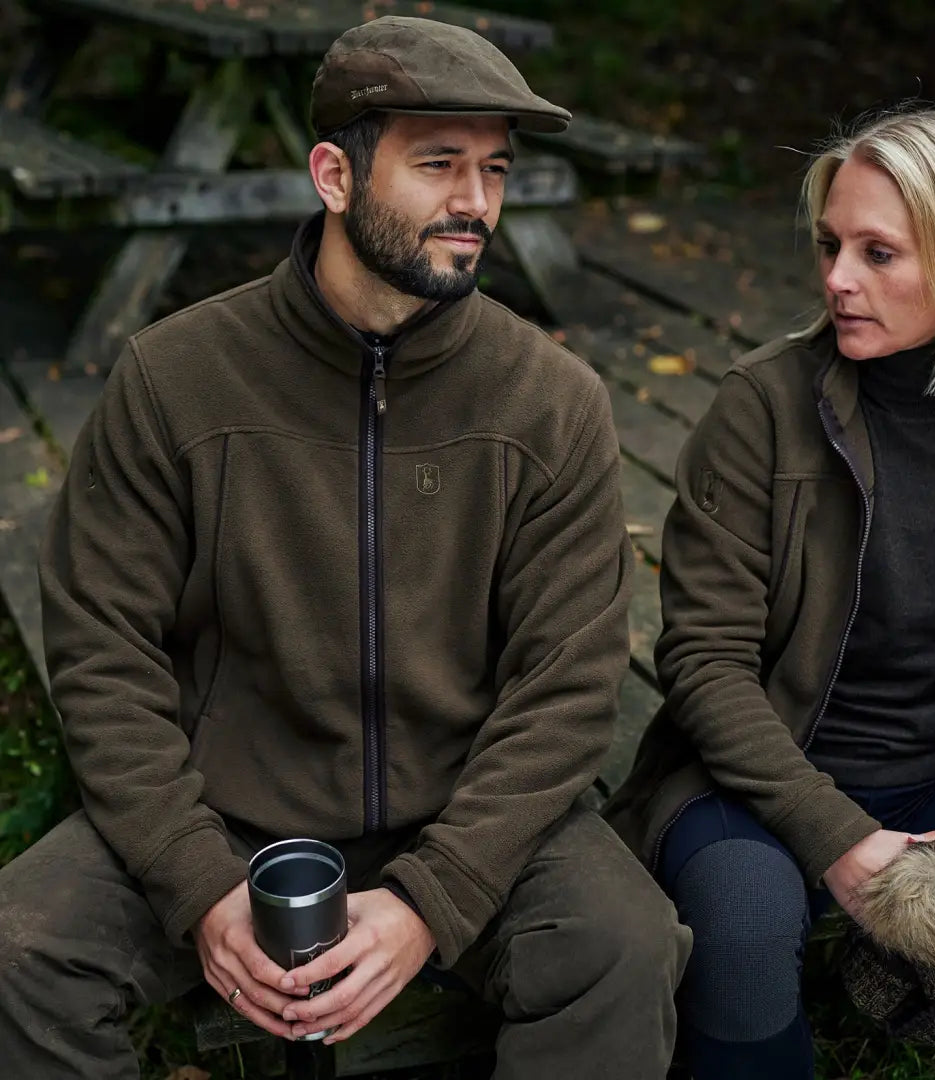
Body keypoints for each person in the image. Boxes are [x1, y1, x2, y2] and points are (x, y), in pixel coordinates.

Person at [0, 17, 689, 1078]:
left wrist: (433, 898)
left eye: (495, 169)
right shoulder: (175, 377)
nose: (477, 203)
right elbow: (101, 648)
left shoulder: (551, 403)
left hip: (469, 810)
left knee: (622, 946)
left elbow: (568, 684)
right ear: (333, 173)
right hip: (225, 807)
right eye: (439, 165)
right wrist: (197, 882)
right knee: (21, 951)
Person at [606, 107, 935, 1078]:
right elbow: (703, 664)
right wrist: (844, 843)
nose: (835, 280)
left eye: (878, 253)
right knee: (739, 936)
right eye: (831, 245)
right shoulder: (761, 411)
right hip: (768, 780)